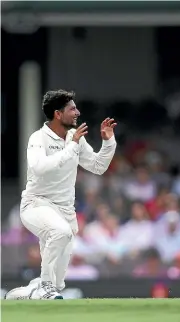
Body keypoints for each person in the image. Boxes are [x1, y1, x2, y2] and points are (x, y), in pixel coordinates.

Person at [5, 90, 117, 300]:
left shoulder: (75, 138)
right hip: (36, 205)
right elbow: (39, 168)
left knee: (58, 285)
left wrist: (108, 143)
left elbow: (98, 166)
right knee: (61, 233)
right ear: (58, 114)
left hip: (65, 210)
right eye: (72, 108)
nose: (78, 112)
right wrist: (71, 147)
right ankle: (44, 286)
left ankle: (27, 292)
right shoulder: (38, 138)